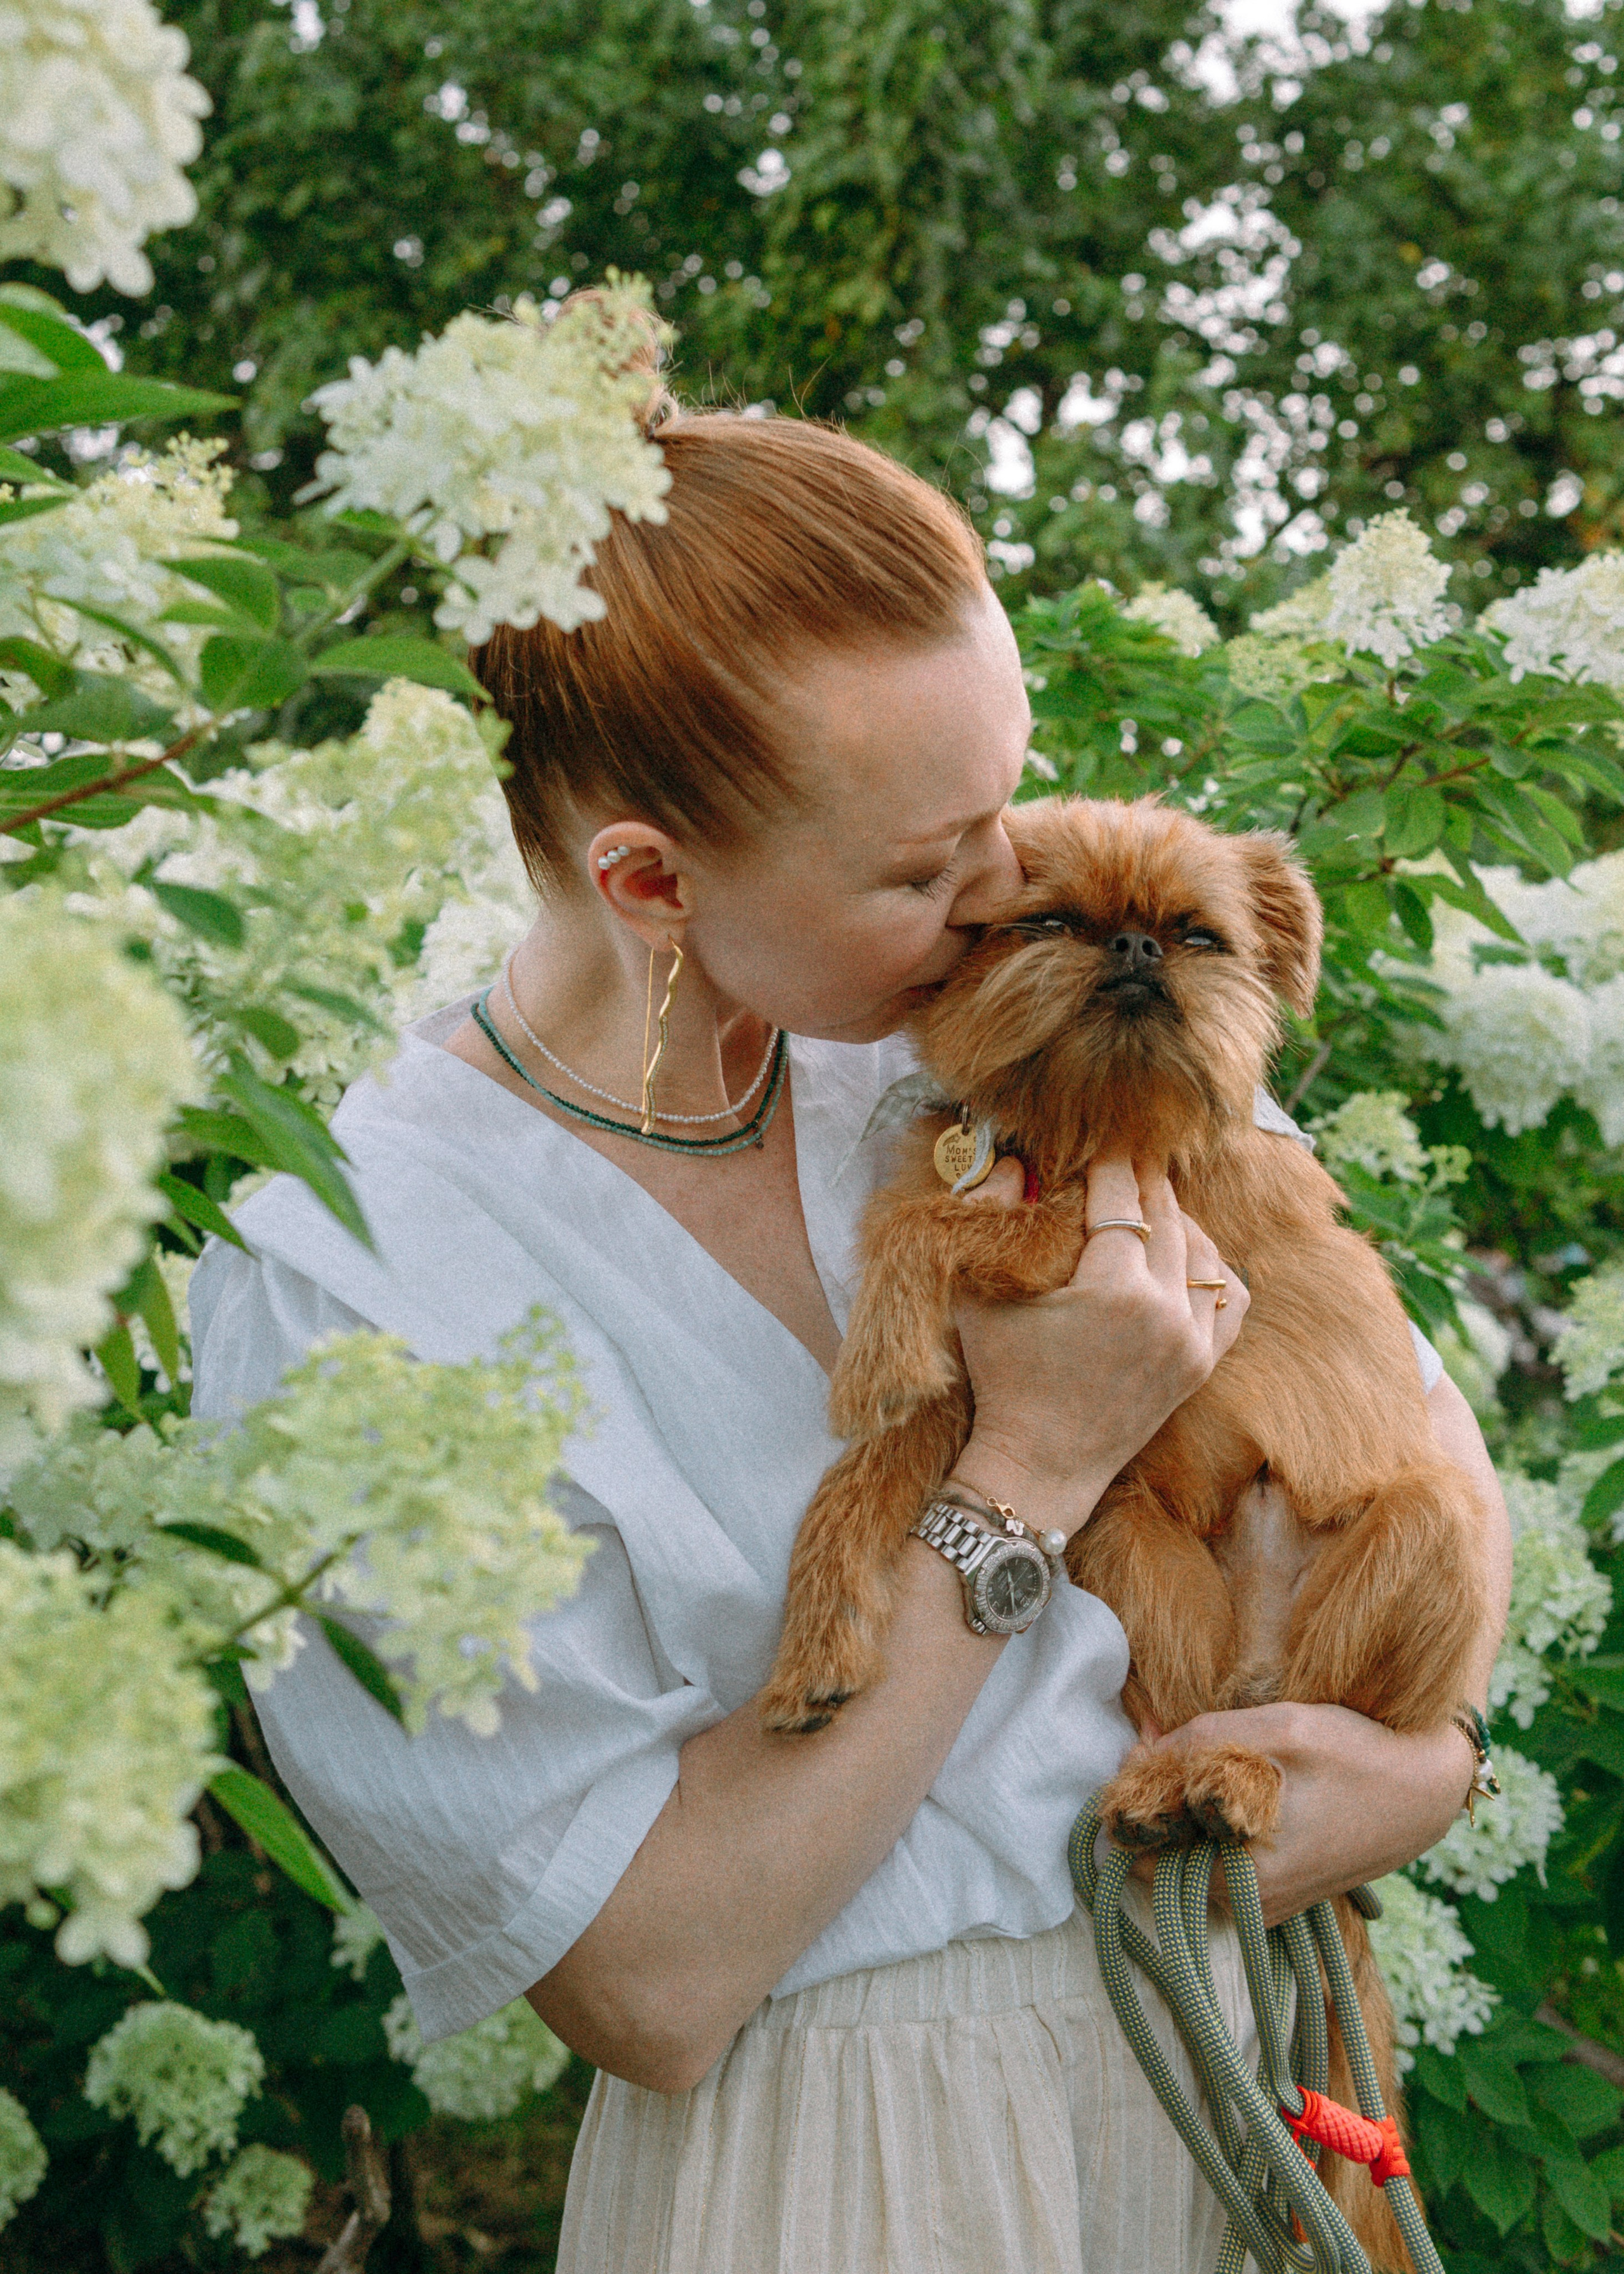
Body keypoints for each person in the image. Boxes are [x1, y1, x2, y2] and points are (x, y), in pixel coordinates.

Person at [190, 367, 1512, 2274]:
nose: (1010, 888)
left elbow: (1395, 1438)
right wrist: (1030, 1470)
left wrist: (1426, 1769)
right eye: (927, 865)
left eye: (1005, 798)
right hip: (853, 2172)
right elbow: (647, 1982)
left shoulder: (1015, 1029)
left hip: (1232, 2076)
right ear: (649, 880)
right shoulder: (362, 1279)